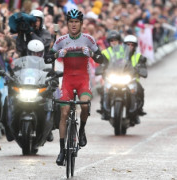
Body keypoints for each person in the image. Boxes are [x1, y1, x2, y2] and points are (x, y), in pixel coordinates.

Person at [44, 9, 104, 166]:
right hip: (68, 80)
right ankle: (62, 150)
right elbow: (47, 58)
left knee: (84, 106)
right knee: (64, 113)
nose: (73, 25)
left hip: (83, 80)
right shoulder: (61, 40)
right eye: (71, 22)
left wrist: (90, 53)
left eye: (76, 22)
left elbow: (102, 59)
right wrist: (58, 54)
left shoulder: (88, 39)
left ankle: (82, 130)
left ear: (81, 24)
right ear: (67, 24)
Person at [97, 30, 122, 120]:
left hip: (123, 76)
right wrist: (100, 70)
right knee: (104, 91)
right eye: (111, 40)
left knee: (133, 90)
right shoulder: (105, 52)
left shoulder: (125, 51)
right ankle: (104, 110)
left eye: (115, 40)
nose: (113, 42)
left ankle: (134, 112)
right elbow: (102, 64)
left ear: (119, 41)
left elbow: (130, 63)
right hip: (111, 76)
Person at [123, 34, 147, 124]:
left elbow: (143, 68)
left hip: (132, 80)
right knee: (105, 89)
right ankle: (105, 108)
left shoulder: (139, 57)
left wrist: (141, 70)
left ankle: (138, 111)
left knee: (140, 90)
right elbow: (111, 65)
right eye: (127, 44)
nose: (130, 47)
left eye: (132, 45)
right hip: (118, 79)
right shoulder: (118, 56)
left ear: (135, 46)